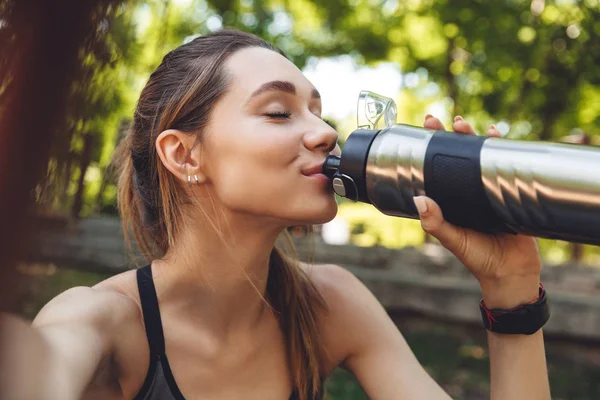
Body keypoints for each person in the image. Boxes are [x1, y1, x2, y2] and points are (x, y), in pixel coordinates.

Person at [0, 29, 550, 400]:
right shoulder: (106, 322)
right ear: (184, 154)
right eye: (279, 111)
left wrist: (512, 288)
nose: (326, 132)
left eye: (317, 110)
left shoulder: (332, 304)